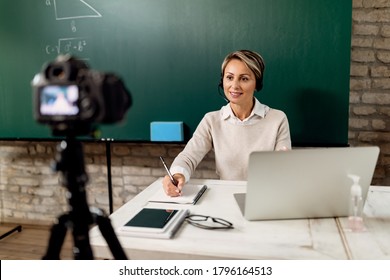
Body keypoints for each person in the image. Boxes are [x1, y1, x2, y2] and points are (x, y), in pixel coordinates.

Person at [163, 50, 291, 196]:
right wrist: (178, 175)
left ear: (256, 83)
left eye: (244, 79)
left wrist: (284, 164)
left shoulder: (277, 119)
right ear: (222, 81)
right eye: (229, 77)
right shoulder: (212, 120)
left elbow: (283, 167)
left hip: (266, 195)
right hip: (227, 197)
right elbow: (189, 156)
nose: (234, 86)